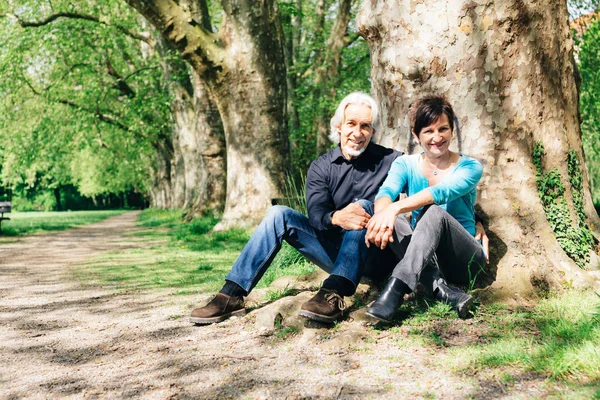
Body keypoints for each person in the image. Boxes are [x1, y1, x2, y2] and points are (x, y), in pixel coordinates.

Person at [190, 92, 402, 325]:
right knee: (278, 213)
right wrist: (336, 217)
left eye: (365, 126)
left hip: (376, 255)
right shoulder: (321, 166)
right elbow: (316, 214)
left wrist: (387, 212)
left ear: (372, 131)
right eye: (351, 124)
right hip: (333, 250)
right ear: (339, 126)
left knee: (362, 206)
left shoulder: (392, 161)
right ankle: (231, 295)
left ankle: (332, 293)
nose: (357, 133)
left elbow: (425, 182)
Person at [364, 95, 488, 322]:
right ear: (415, 134)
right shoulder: (405, 164)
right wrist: (384, 214)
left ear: (452, 130)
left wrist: (395, 209)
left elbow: (440, 193)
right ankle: (443, 292)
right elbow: (385, 194)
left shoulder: (470, 167)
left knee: (432, 211)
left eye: (443, 129)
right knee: (387, 215)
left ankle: (397, 289)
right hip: (425, 255)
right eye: (428, 131)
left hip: (463, 258)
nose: (437, 137)